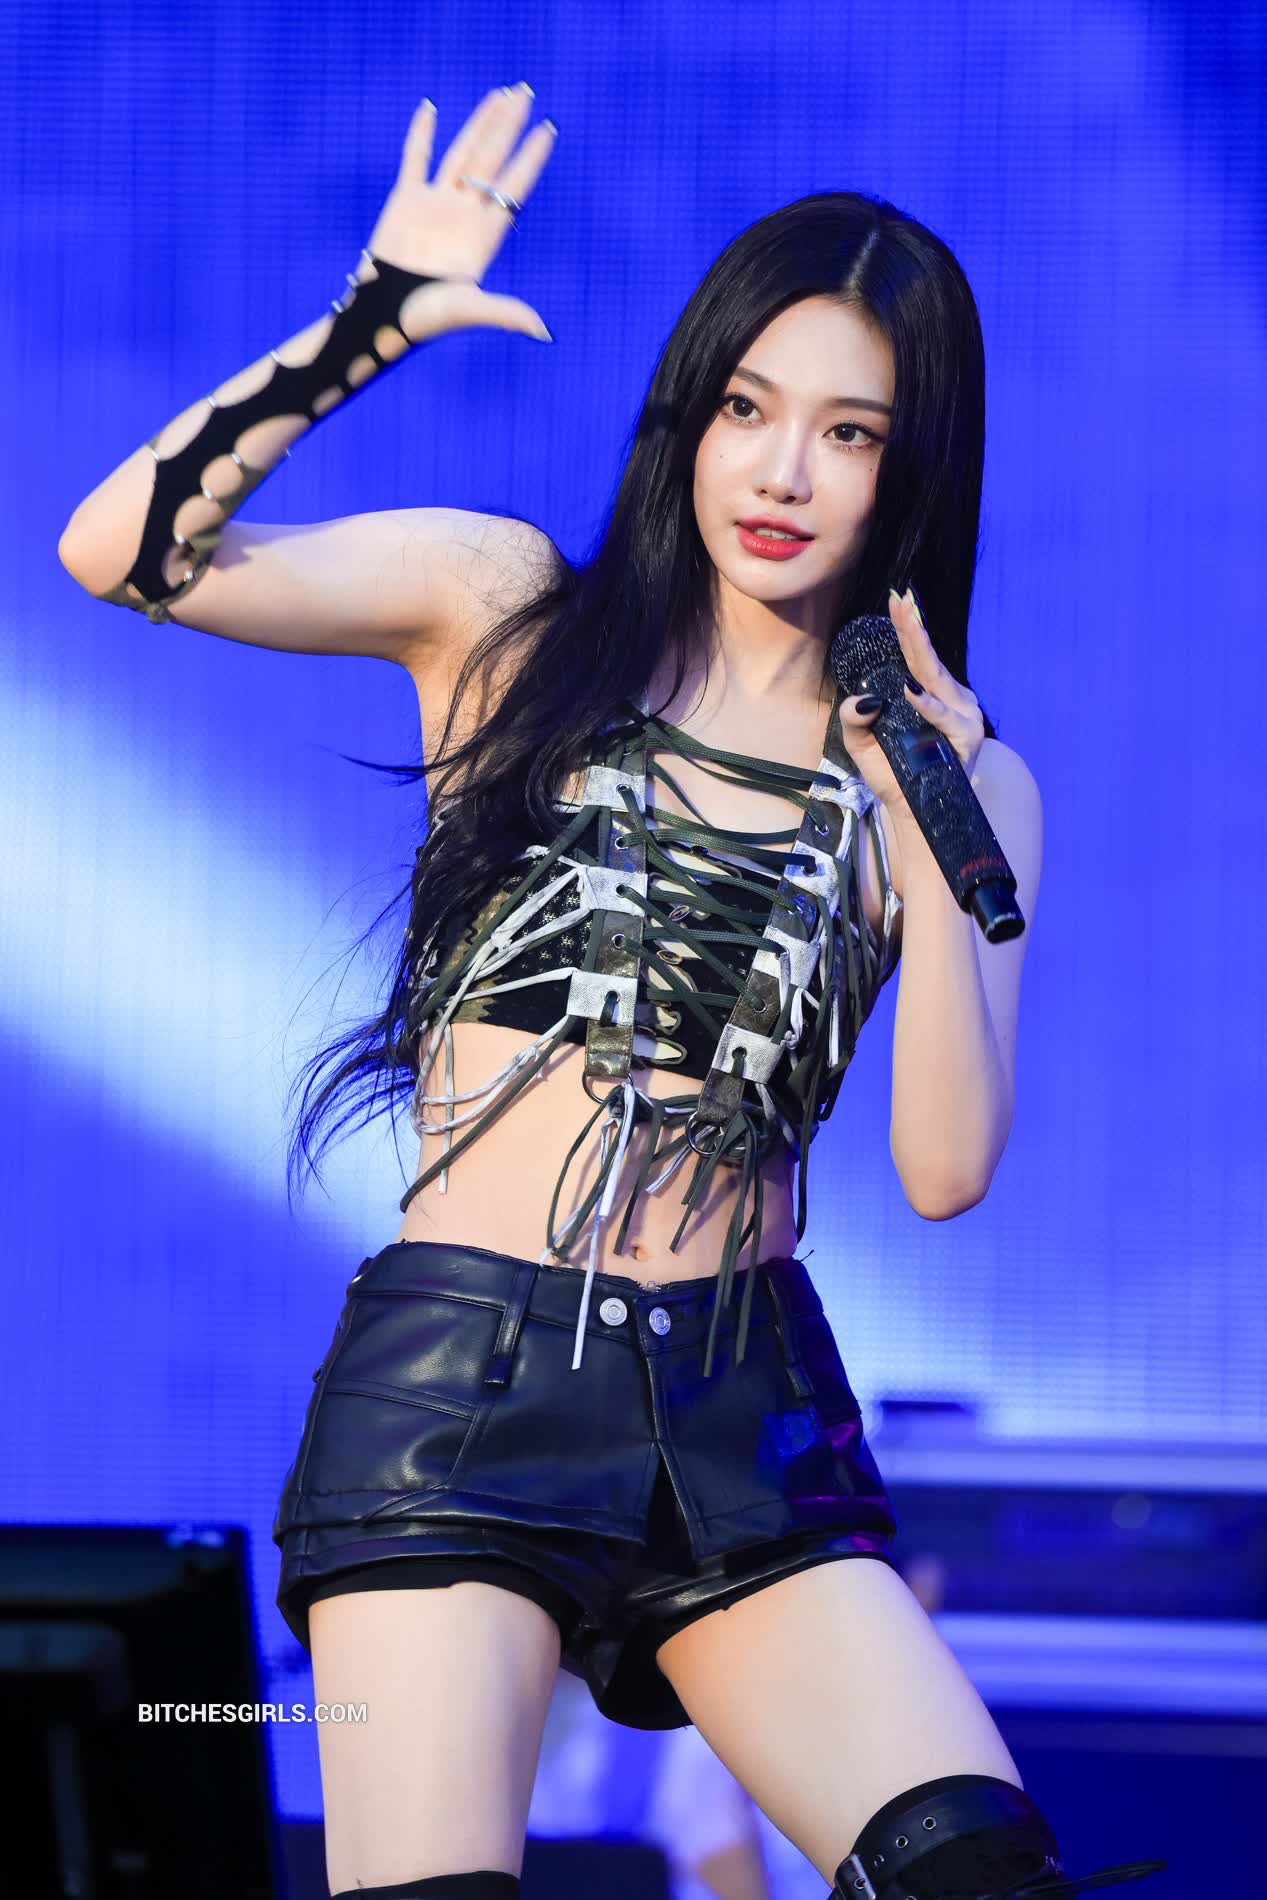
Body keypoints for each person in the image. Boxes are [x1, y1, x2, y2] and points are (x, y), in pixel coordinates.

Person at [58, 81, 1167, 1900]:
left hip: (745, 1409)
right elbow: (121, 556)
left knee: (984, 1878)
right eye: (748, 409)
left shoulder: (973, 787)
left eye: (848, 433)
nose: (782, 472)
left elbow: (948, 1169)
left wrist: (930, 826)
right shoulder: (508, 616)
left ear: (913, 470)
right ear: (693, 414)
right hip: (466, 1393)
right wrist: (368, 325)